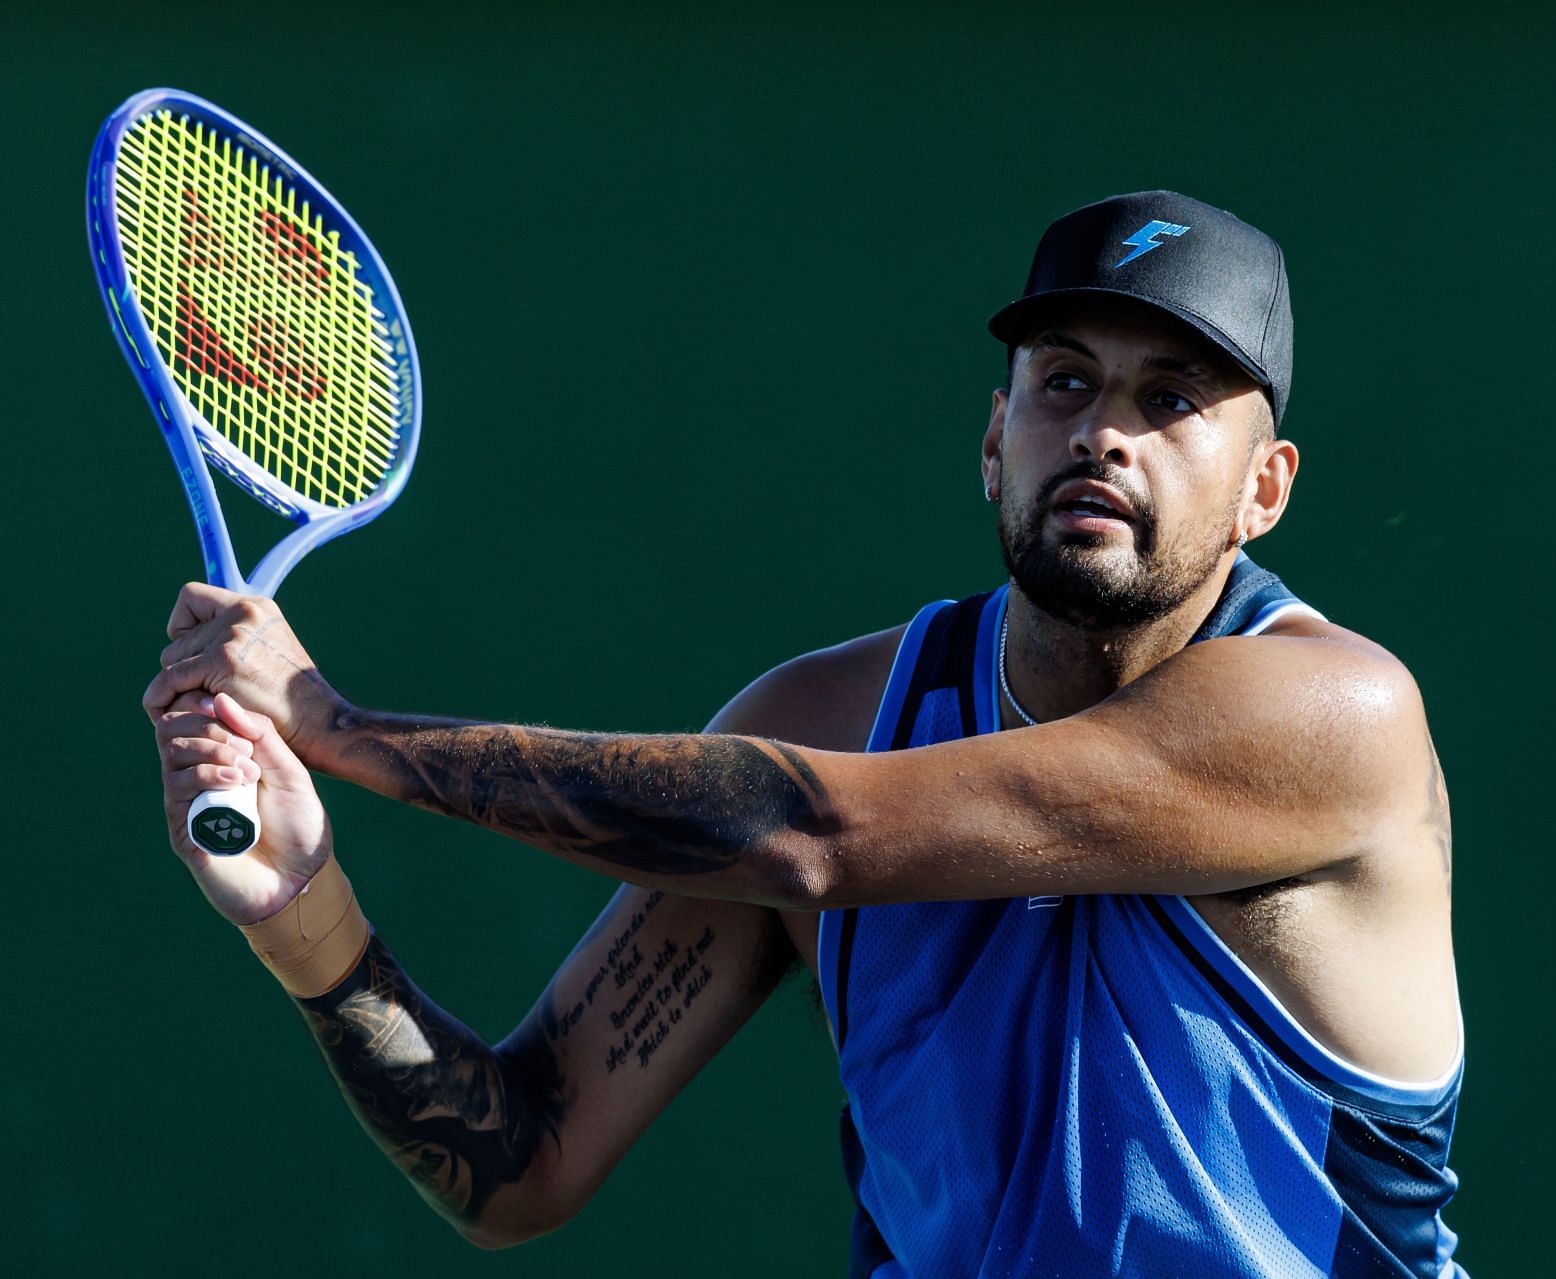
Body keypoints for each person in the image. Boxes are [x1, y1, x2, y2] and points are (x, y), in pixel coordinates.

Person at [148, 190, 1467, 1278]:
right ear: (997, 440)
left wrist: (335, 726)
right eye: (1065, 382)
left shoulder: (1335, 720)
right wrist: (302, 918)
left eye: (1173, 400)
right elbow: (522, 1160)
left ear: (1265, 489)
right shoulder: (822, 720)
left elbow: (816, 835)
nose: (1106, 431)